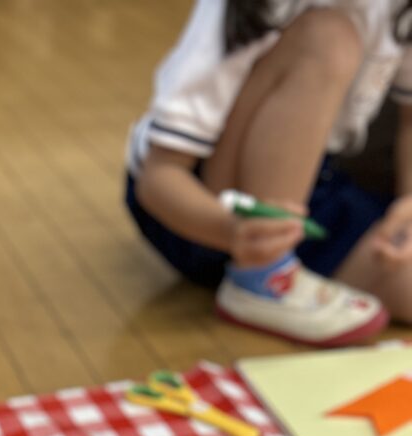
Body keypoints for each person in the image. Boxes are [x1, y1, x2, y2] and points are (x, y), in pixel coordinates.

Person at [124, 0, 412, 346]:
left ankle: (279, 267)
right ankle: (264, 275)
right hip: (202, 208)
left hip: (309, 193)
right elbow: (158, 177)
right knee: (330, 37)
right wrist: (232, 231)